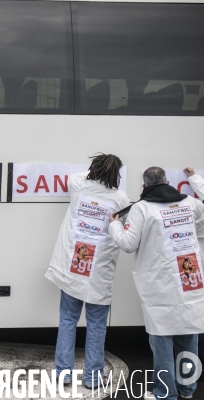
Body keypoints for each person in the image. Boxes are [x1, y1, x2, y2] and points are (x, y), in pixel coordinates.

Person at [109, 167, 204, 400]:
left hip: (159, 283)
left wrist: (114, 224)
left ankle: (164, 393)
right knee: (188, 336)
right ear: (168, 182)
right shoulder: (191, 204)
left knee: (161, 340)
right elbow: (199, 228)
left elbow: (129, 244)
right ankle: (187, 389)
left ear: (144, 186)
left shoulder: (141, 208)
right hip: (188, 277)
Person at [46, 154, 130, 388]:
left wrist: (95, 172)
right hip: (98, 274)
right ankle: (93, 377)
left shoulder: (78, 187)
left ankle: (63, 374)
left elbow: (77, 175)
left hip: (74, 270)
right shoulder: (121, 198)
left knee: (67, 321)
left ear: (93, 169)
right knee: (96, 326)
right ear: (117, 175)